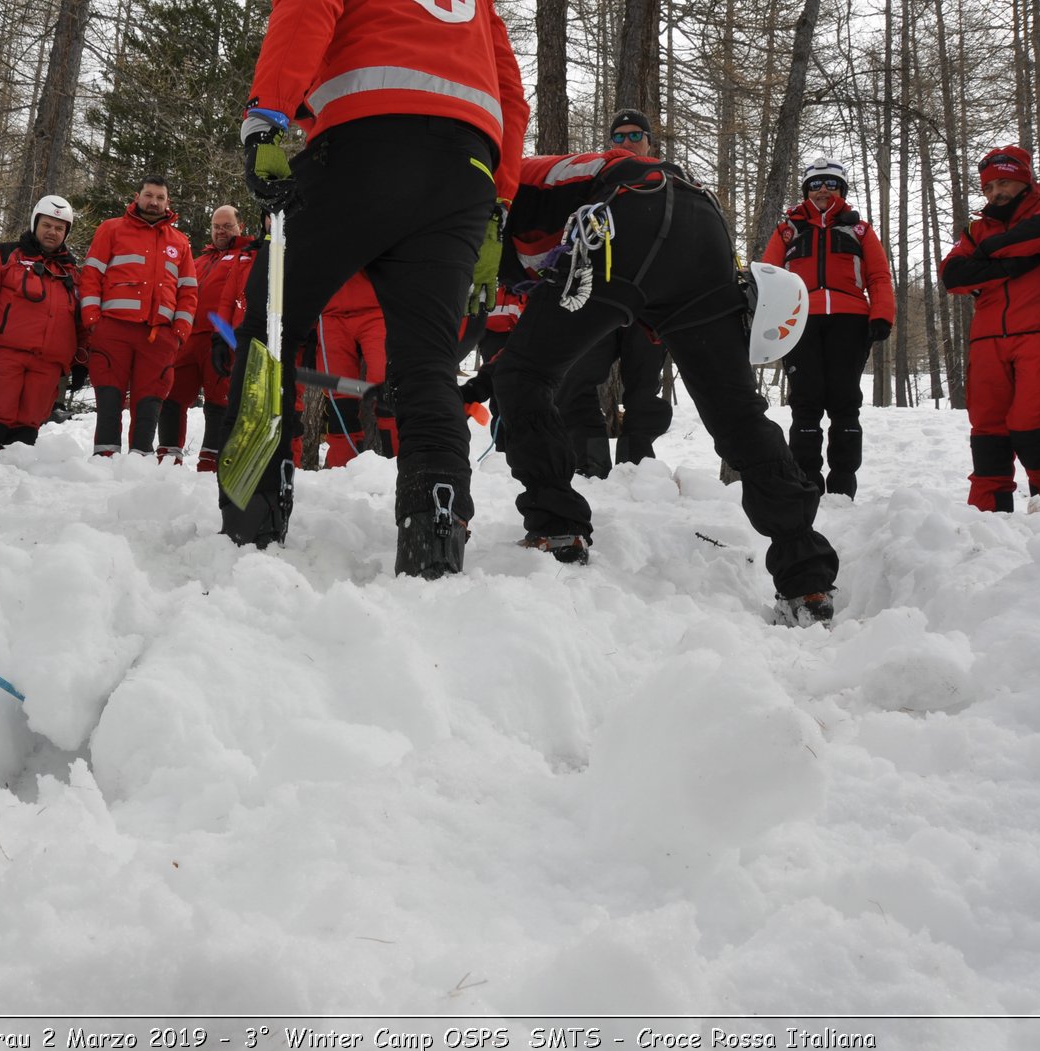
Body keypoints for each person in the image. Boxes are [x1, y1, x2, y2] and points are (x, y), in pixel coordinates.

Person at [230, 0, 528, 576]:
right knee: (428, 361)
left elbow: (305, 12)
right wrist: (500, 202)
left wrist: (266, 119)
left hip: (363, 145)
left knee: (271, 323)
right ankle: (434, 522)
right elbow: (512, 94)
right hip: (466, 172)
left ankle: (253, 507)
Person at [490, 145, 841, 624]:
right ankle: (807, 580)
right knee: (736, 410)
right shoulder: (539, 190)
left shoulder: (499, 185)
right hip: (699, 222)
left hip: (630, 215)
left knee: (523, 374)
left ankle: (556, 525)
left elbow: (528, 341)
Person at [548, 109, 675, 480]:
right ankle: (588, 463)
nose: (626, 142)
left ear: (650, 141)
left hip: (648, 307)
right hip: (599, 301)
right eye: (617, 137)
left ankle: (636, 467)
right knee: (576, 378)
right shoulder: (596, 179)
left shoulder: (669, 180)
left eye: (635, 135)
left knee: (643, 391)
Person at [940, 145, 1040, 511]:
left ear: (1023, 180)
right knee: (987, 429)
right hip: (986, 340)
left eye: (1004, 183)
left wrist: (985, 257)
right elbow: (952, 275)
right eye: (989, 186)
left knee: (1030, 422)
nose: (996, 192)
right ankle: (988, 515)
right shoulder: (975, 228)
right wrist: (1014, 265)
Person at [760, 156, 895, 498]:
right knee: (806, 401)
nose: (823, 190)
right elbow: (768, 276)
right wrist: (766, 322)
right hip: (799, 320)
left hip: (850, 320)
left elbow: (879, 275)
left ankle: (843, 482)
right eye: (816, 184)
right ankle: (807, 480)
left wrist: (882, 315)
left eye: (831, 184)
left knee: (845, 401)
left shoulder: (859, 229)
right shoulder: (788, 229)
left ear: (841, 189)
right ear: (806, 190)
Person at [0, 195, 84, 459]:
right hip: (7, 354)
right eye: (47, 225)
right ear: (35, 223)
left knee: (28, 425)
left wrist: (83, 361)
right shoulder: (5, 255)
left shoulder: (72, 273)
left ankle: (10, 484)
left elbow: (82, 321)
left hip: (49, 363)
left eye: (59, 228)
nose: (52, 232)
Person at [78, 176, 197, 456]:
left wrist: (179, 333)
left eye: (160, 197)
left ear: (168, 202)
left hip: (158, 337)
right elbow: (92, 274)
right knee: (109, 397)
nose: (153, 202)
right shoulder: (111, 229)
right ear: (137, 196)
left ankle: (139, 461)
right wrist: (92, 320)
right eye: (148, 195)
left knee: (149, 402)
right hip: (113, 331)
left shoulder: (179, 242)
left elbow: (188, 291)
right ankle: (105, 459)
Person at [158, 203, 257, 470]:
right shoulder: (199, 261)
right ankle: (167, 459)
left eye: (227, 226)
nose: (221, 231)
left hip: (222, 340)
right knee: (172, 397)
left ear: (241, 226)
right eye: (216, 226)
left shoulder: (249, 257)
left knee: (219, 401)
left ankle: (212, 463)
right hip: (188, 338)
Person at [313, 269, 394, 465]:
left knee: (388, 390)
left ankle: (403, 464)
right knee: (339, 401)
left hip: (377, 307)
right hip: (331, 313)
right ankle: (342, 471)